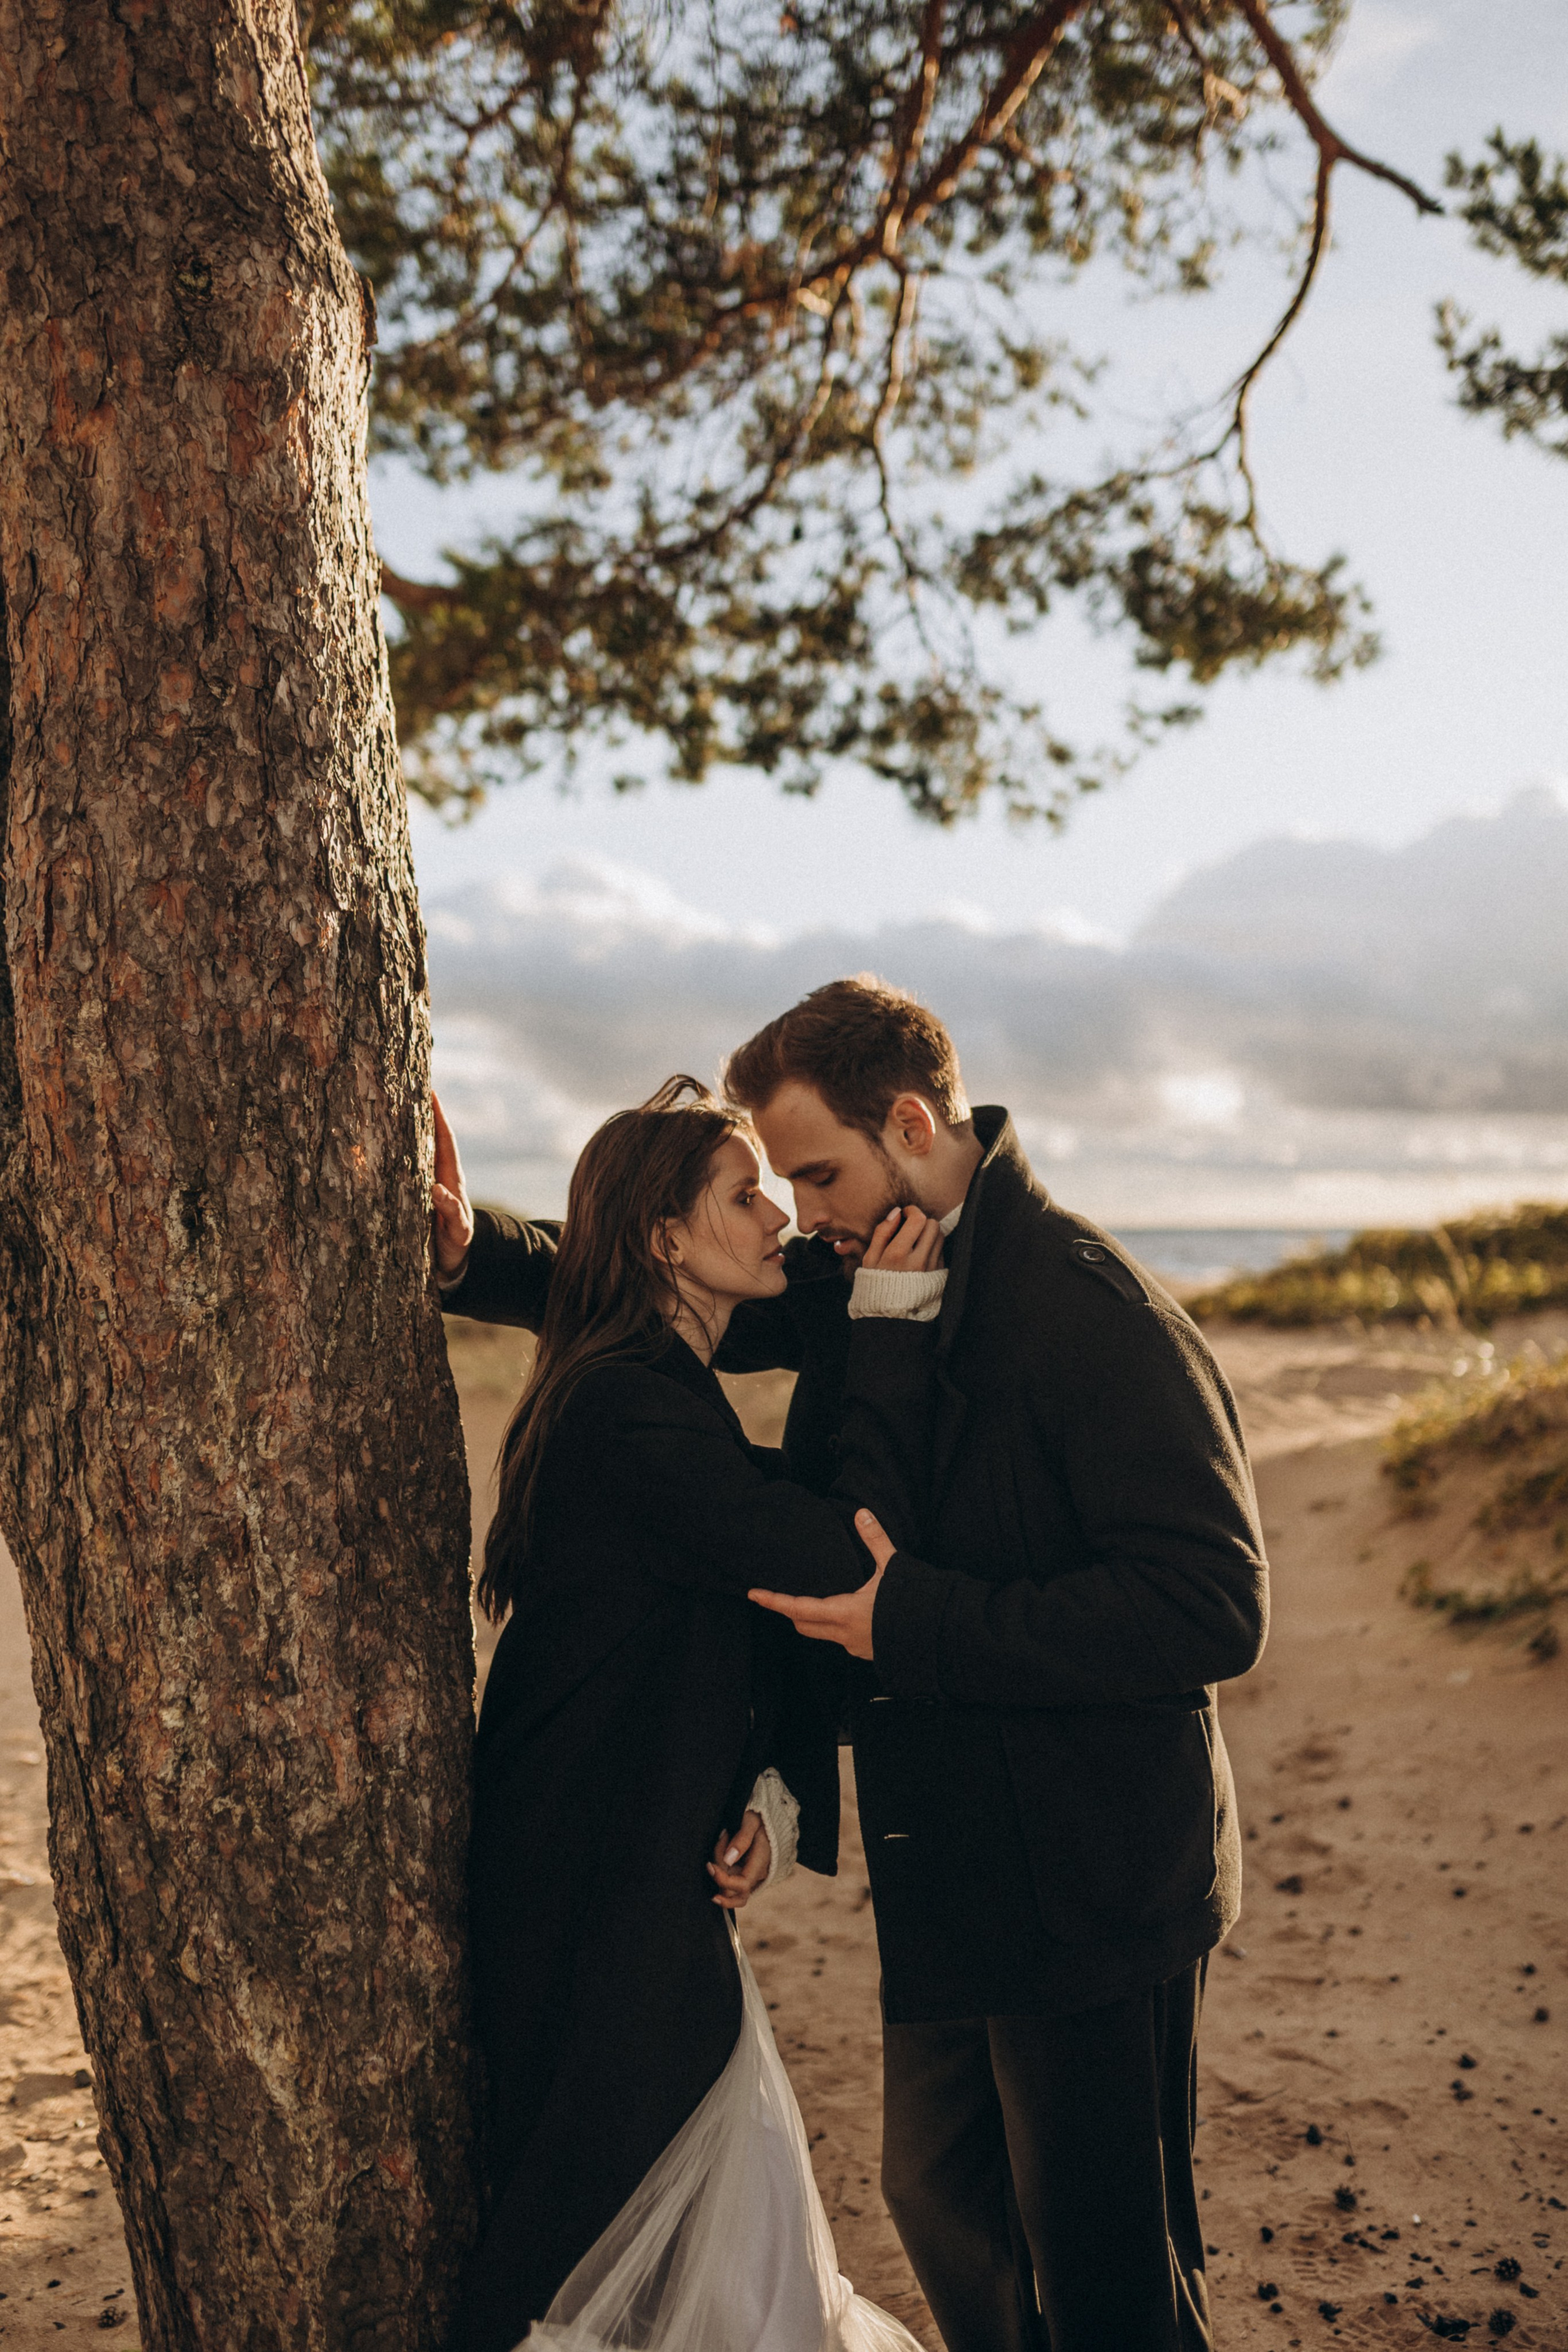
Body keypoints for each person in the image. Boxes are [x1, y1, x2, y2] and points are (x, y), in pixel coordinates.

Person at [436, 981, 1270, 2352]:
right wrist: (474, 1254)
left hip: (1091, 1857)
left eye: (814, 1174)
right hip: (946, 1852)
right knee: (938, 2199)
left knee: (1109, 2266)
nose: (802, 1216)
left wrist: (909, 1626)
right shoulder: (859, 1270)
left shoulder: (1088, 1312)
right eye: (776, 1184)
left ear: (908, 1121)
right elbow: (640, 1277)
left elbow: (1211, 1606)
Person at [447, 1075, 938, 2352]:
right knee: (585, 2236)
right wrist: (886, 1328)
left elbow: (746, 1614)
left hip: (636, 1868)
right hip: (586, 1891)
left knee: (701, 2235)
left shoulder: (659, 1391)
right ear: (664, 1238)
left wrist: (768, 1803)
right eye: (742, 1194)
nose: (778, 1213)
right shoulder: (624, 1410)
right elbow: (836, 1557)